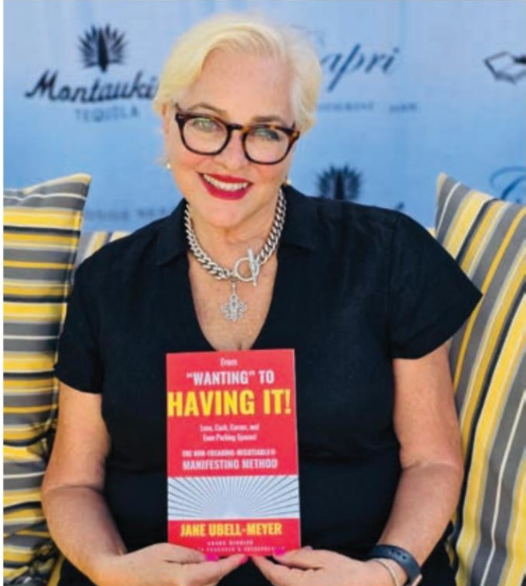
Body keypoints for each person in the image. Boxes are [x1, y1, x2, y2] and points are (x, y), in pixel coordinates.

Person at [42, 11, 483, 586]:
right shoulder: (108, 283)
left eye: (265, 132)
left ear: (295, 139)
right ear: (166, 119)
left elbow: (433, 460)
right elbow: (72, 482)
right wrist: (109, 569)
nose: (232, 158)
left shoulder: (385, 254)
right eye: (206, 123)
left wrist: (385, 571)